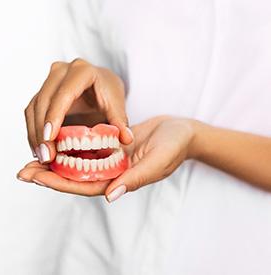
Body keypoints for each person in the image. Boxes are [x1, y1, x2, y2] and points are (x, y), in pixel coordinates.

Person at [17, 0, 271, 274]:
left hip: (233, 255)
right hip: (101, 254)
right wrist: (87, 101)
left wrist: (197, 139)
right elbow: (95, 119)